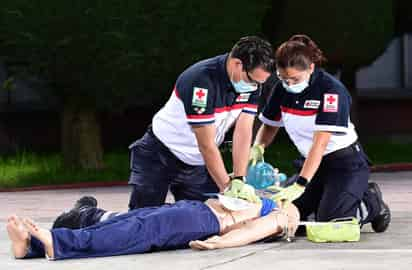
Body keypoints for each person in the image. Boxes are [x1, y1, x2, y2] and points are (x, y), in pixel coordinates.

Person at [249, 34, 390, 232]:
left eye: (294, 79)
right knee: (285, 214)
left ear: (311, 67)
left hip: (343, 164)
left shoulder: (331, 91)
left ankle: (371, 200)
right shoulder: (282, 89)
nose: (289, 84)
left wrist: (300, 185)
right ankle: (325, 197)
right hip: (310, 163)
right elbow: (270, 124)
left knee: (331, 222)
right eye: (283, 78)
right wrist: (258, 146)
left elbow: (320, 144)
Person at [6, 197, 299, 260]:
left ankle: (58, 243)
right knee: (128, 222)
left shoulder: (287, 209)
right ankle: (30, 247)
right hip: (190, 209)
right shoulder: (266, 193)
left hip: (204, 222)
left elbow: (261, 228)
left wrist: (220, 244)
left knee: (135, 232)